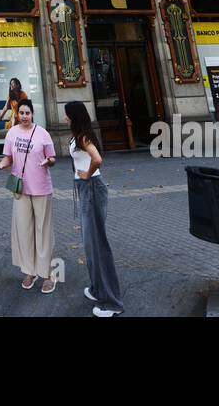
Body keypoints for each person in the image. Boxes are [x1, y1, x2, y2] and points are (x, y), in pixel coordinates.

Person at [65, 101, 124, 317]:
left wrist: (87, 174)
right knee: (90, 245)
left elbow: (98, 159)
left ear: (74, 116)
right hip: (86, 189)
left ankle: (111, 302)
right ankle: (97, 288)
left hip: (91, 188)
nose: (65, 118)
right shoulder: (80, 134)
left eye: (67, 115)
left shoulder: (82, 137)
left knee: (97, 245)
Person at [0, 98, 57, 294]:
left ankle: (47, 274)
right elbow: (9, 157)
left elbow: (53, 158)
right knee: (24, 230)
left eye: (27, 113)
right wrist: (2, 165)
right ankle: (30, 271)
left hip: (41, 188)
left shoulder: (42, 133)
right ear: (17, 114)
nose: (24, 116)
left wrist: (49, 161)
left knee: (43, 231)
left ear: (32, 114)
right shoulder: (12, 133)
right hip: (20, 189)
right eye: (21, 113)